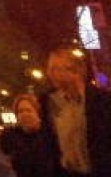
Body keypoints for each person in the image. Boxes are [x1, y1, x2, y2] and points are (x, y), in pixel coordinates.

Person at [39, 45, 111, 177]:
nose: (49, 73)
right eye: (49, 69)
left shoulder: (102, 100)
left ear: (75, 71)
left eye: (55, 68)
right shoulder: (48, 102)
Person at [0, 94, 57, 177]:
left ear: (37, 113)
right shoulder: (10, 137)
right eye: (20, 111)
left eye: (28, 110)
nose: (24, 114)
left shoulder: (49, 135)